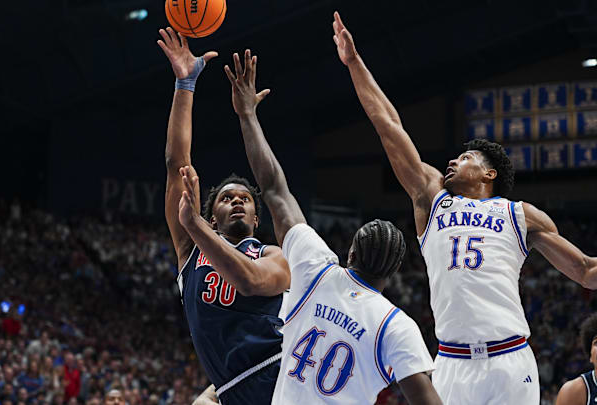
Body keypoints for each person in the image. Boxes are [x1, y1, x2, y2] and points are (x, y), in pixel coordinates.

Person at [331, 11, 597, 405]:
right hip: (452, 362)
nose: (452, 162)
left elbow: (588, 272)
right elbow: (388, 124)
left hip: (509, 360)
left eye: (464, 157)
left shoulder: (521, 215)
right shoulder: (431, 198)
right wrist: (355, 64)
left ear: (488, 172)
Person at [179, 48, 442, 405]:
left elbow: (273, 188)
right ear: (395, 272)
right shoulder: (396, 325)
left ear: (349, 253)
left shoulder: (317, 269)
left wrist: (248, 117)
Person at [157, 27, 290, 405]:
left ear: (255, 217)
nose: (236, 202)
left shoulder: (273, 255)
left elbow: (250, 282)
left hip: (282, 375)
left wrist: (196, 226)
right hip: (233, 390)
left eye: (245, 199)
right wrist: (185, 85)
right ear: (212, 217)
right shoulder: (190, 252)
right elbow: (175, 163)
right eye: (227, 198)